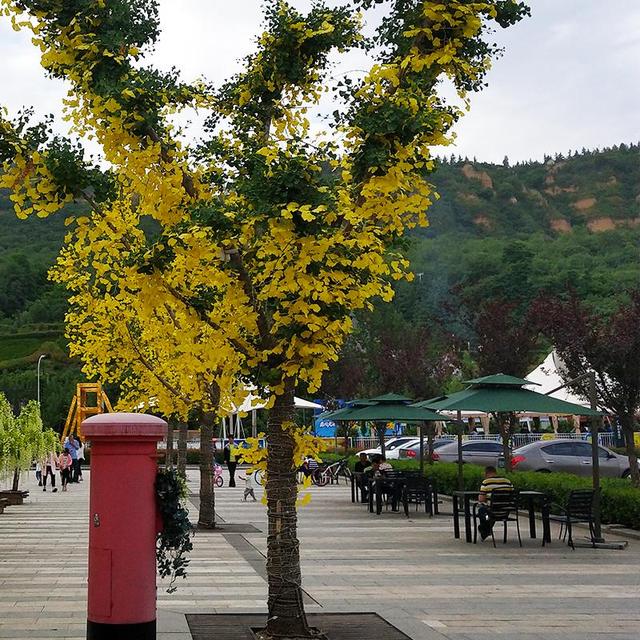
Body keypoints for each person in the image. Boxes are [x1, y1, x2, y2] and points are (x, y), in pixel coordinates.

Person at [476, 465, 513, 540]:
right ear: (495, 472)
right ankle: (486, 530)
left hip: (492, 513)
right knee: (490, 511)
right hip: (505, 512)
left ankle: (484, 530)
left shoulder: (486, 482)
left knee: (482, 511)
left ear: (486, 474)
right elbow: (512, 496)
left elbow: (481, 499)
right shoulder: (507, 481)